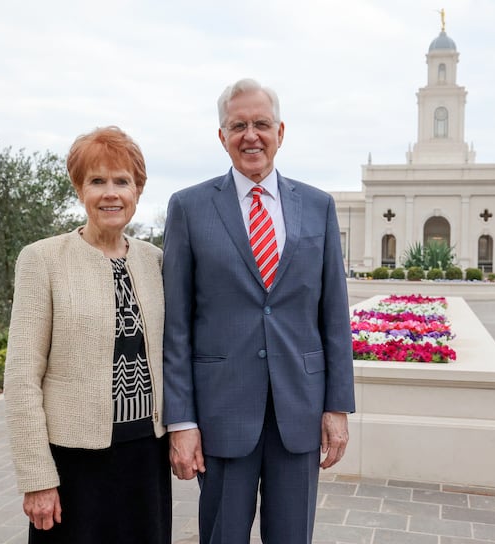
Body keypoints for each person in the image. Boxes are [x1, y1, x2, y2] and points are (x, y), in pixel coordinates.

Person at [163, 78, 356, 543]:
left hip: (300, 409)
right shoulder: (188, 208)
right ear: (222, 136)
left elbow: (334, 315)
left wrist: (337, 407)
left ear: (281, 132)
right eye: (238, 125)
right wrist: (182, 422)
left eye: (261, 124)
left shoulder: (317, 206)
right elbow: (177, 326)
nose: (251, 135)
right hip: (221, 411)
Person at [4, 126, 172, 543]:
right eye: (97, 181)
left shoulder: (156, 262)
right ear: (80, 189)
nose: (110, 193)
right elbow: (21, 376)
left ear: (138, 191)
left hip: (145, 457)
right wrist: (37, 476)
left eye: (122, 181)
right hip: (73, 463)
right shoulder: (43, 260)